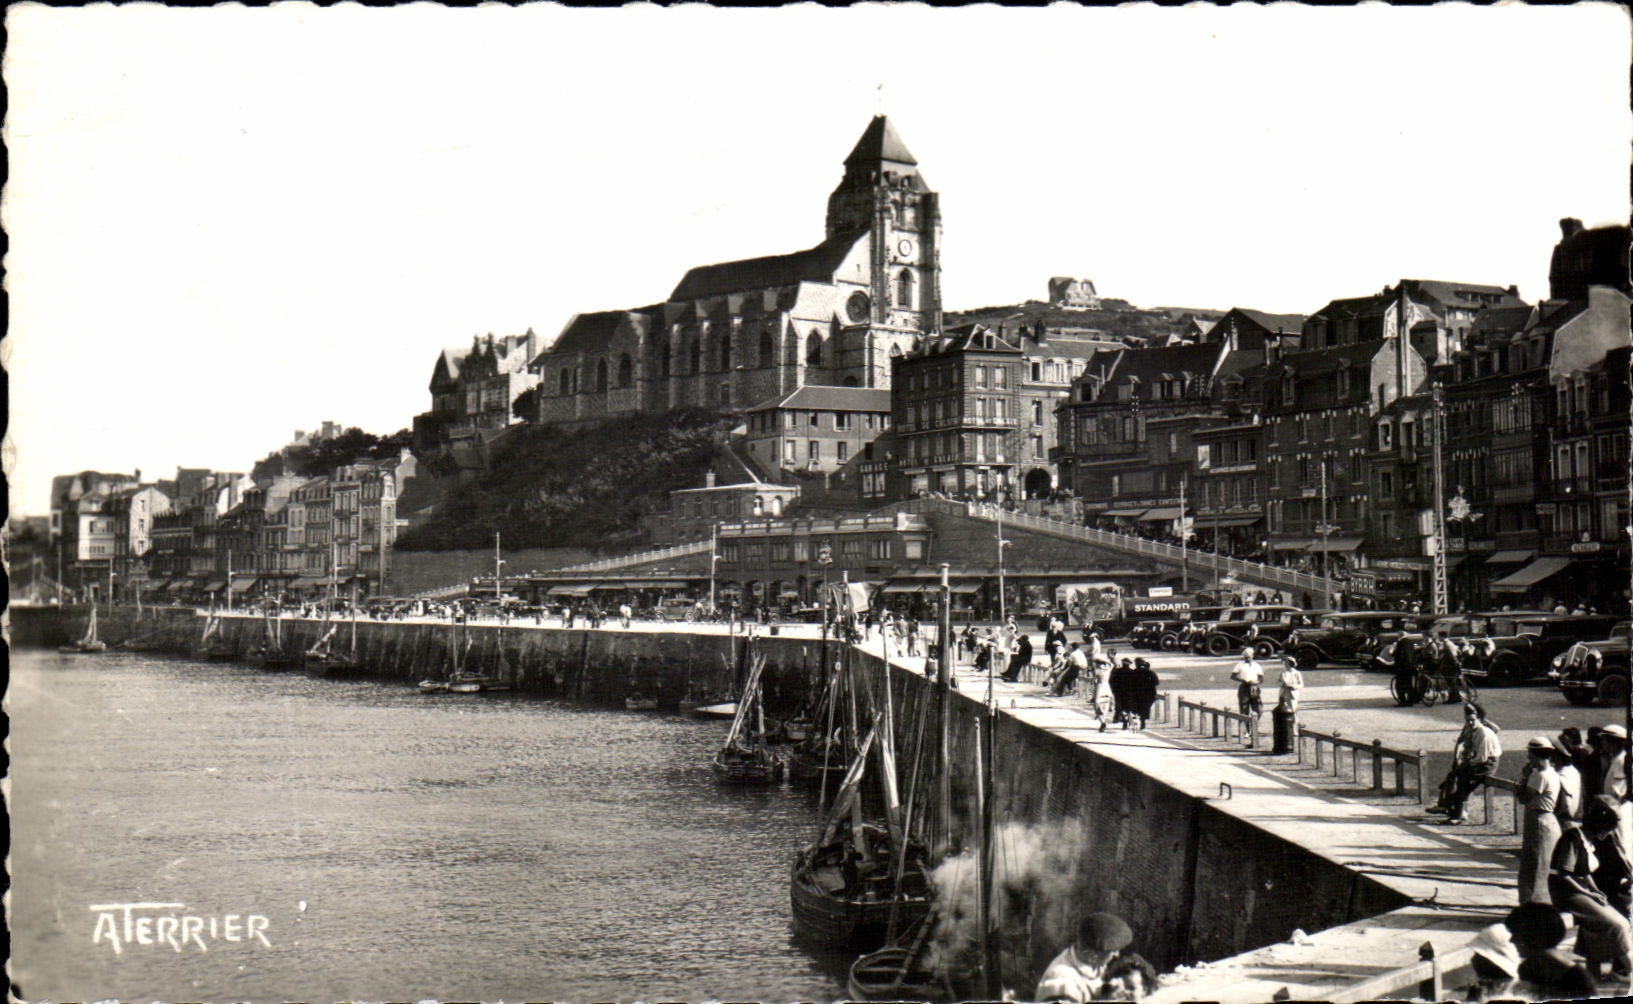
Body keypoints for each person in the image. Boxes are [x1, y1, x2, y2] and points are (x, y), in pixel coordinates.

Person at [1548, 801, 1633, 980]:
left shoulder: (1587, 840)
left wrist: (1595, 890)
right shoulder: (1572, 838)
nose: (1609, 834)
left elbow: (1585, 871)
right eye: (1607, 830)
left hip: (1581, 890)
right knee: (1615, 924)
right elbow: (1564, 874)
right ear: (1599, 827)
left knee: (1622, 922)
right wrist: (1589, 893)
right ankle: (1630, 970)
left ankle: (1593, 972)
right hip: (1566, 893)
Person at [1504, 901, 1598, 999]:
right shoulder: (1528, 967)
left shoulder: (1577, 980)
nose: (1511, 940)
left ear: (1532, 937)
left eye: (1516, 934)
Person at [1035, 912, 1134, 1003]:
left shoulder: (1091, 963)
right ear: (1093, 954)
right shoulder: (1062, 983)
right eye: (1112, 951)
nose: (1117, 955)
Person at [1427, 703, 1502, 824]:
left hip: (1487, 764)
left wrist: (1467, 765)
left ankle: (1451, 809)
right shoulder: (1472, 729)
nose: (1470, 723)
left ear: (1480, 719)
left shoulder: (1484, 733)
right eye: (1468, 720)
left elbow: (1482, 758)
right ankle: (1452, 811)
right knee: (1455, 776)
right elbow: (1462, 744)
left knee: (1463, 781)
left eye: (1473, 720)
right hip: (1477, 762)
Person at [1517, 736, 1564, 904]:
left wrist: (1524, 777)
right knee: (1541, 863)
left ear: (1536, 754)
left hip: (1538, 819)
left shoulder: (1539, 776)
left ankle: (1532, 903)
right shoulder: (1552, 773)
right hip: (1546, 819)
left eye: (1530, 753)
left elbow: (1523, 797)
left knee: (1534, 865)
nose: (1528, 757)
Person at [1230, 647, 1264, 742]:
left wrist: (1256, 682)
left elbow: (1261, 678)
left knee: (1259, 708)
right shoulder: (1240, 665)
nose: (1247, 659)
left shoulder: (1257, 665)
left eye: (1248, 657)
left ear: (1252, 656)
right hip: (1244, 687)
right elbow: (1233, 676)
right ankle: (1247, 730)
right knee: (1244, 709)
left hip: (1254, 687)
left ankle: (1253, 726)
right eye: (1245, 657)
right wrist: (1242, 679)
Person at [1128, 657, 1159, 730]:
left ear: (1136, 664)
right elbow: (1156, 682)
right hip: (1148, 693)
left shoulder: (1133, 672)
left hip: (1136, 694)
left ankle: (1138, 722)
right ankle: (1143, 722)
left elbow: (1129, 683)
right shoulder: (1149, 672)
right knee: (1145, 708)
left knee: (1137, 708)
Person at [1108, 658, 1135, 728]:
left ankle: (1122, 720)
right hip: (1128, 693)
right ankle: (1126, 720)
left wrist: (1113, 690)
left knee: (1120, 707)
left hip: (1119, 693)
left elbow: (1111, 681)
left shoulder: (1117, 671)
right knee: (1127, 708)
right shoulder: (1132, 672)